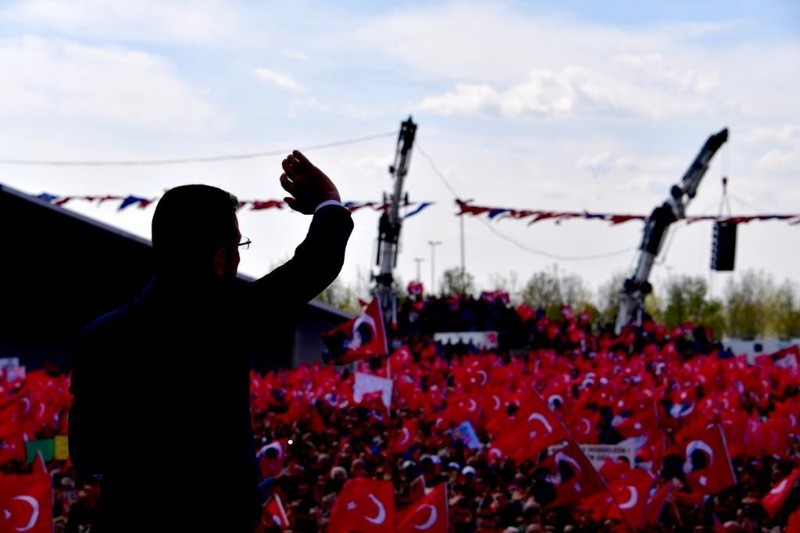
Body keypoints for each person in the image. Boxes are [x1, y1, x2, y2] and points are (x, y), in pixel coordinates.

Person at [68, 150, 354, 532]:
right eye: (238, 246)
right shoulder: (225, 320)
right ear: (221, 257)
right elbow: (315, 263)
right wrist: (328, 202)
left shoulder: (101, 336)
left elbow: (87, 455)